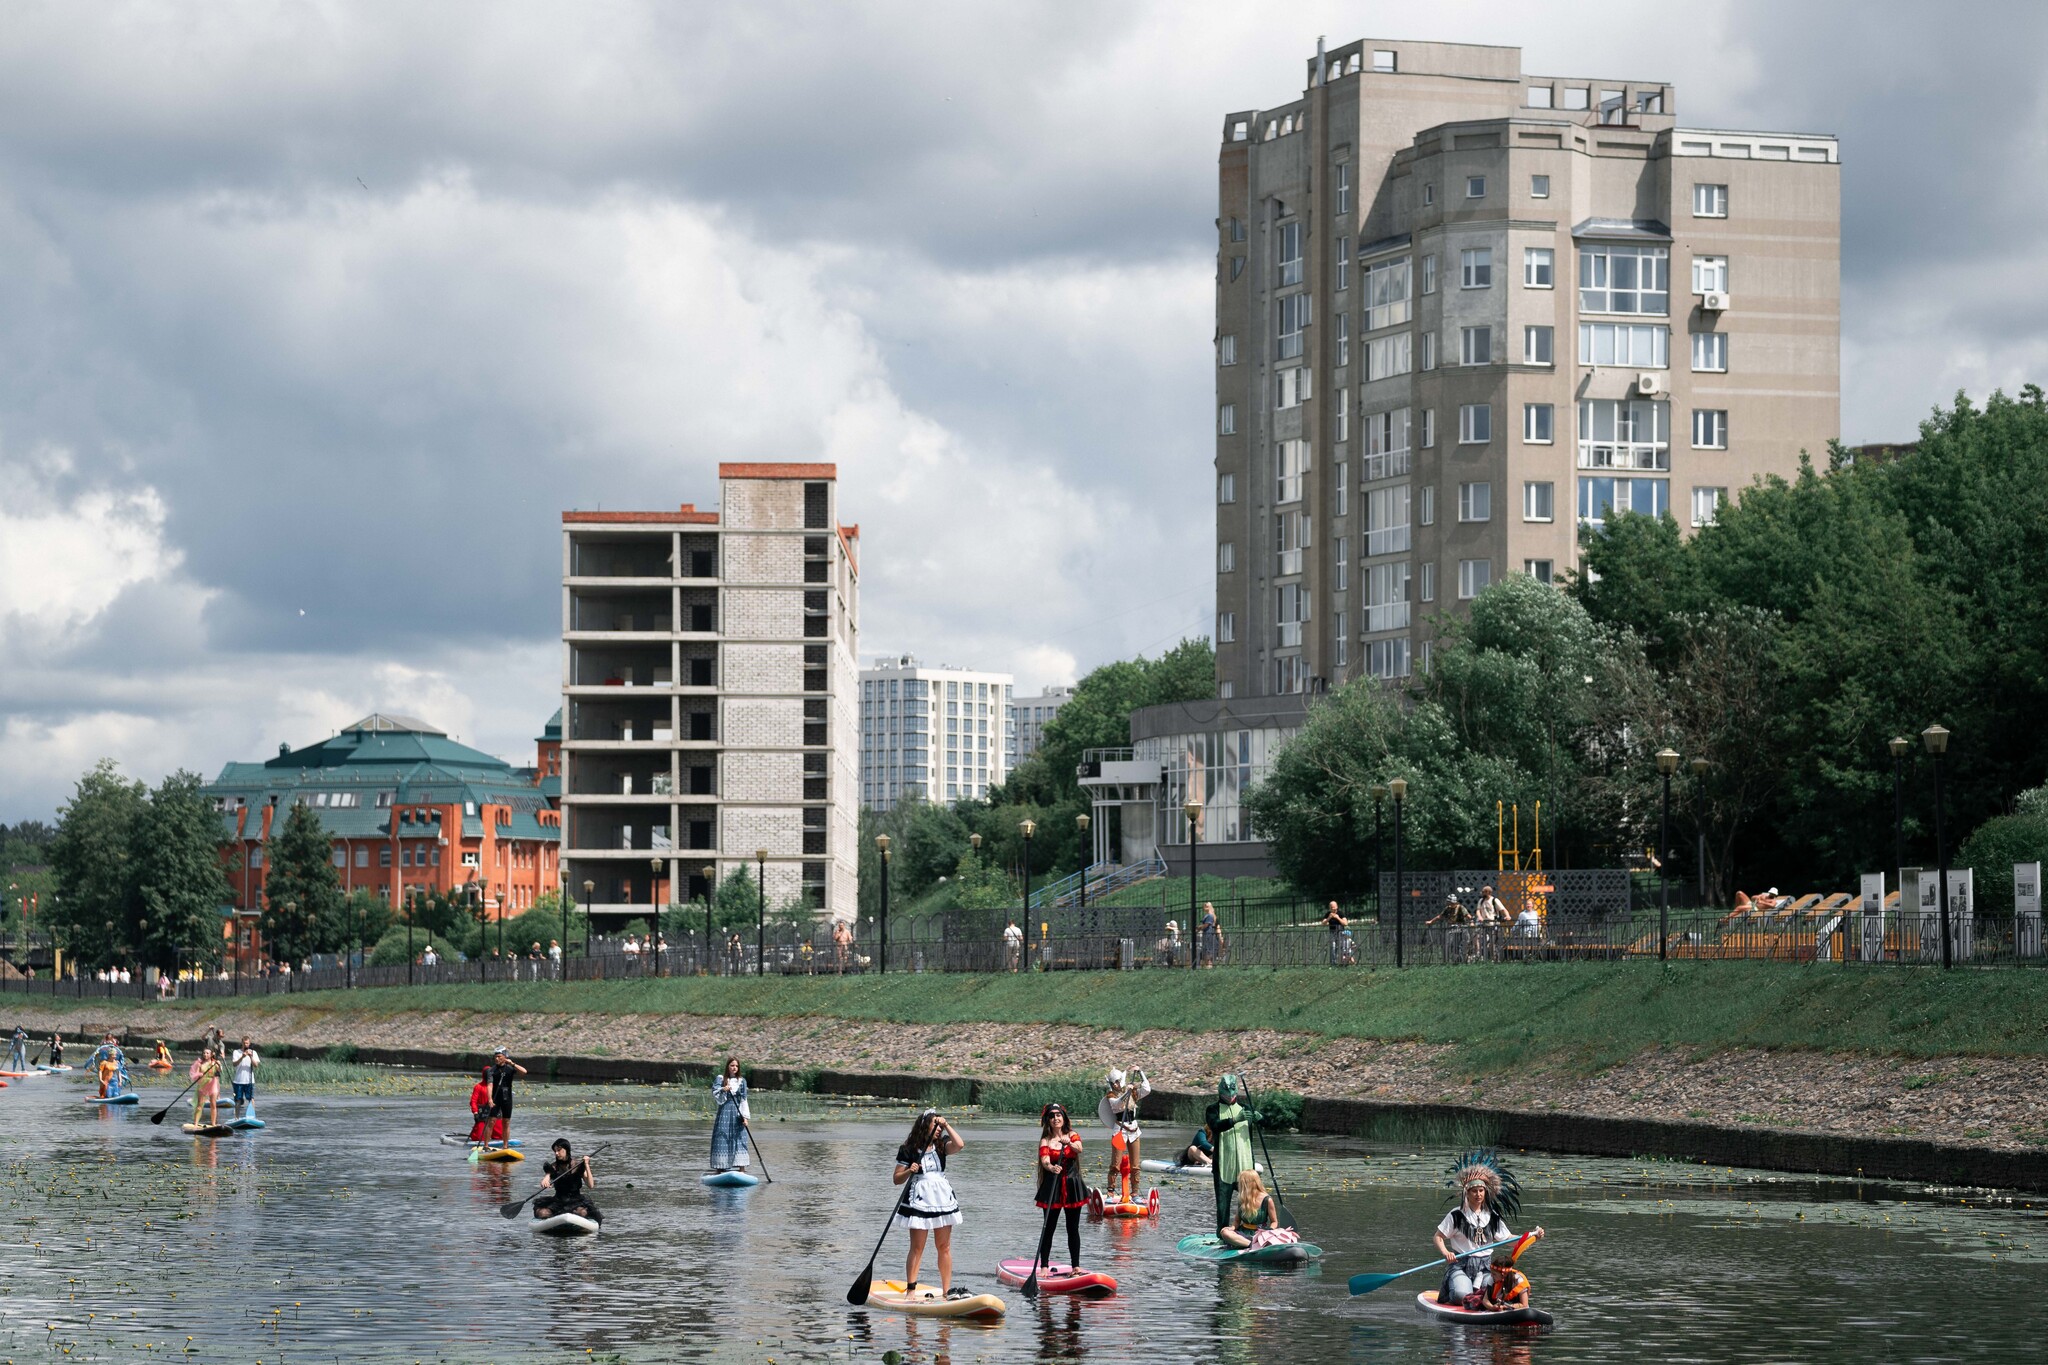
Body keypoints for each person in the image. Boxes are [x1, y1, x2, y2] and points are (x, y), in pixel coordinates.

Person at [1435, 1151, 1543, 1308]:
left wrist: (1532, 1238)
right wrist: (1446, 1253)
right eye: (1474, 1191)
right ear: (1467, 1192)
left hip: (1487, 1269)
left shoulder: (1492, 1216)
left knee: (1496, 1294)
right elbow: (1438, 1237)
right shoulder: (1456, 1214)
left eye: (1481, 1190)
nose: (1478, 1194)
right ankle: (1464, 1293)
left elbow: (1508, 1240)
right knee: (1461, 1295)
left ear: (1485, 1192)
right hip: (1461, 1265)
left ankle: (1480, 1298)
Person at [893, 1109, 967, 1299]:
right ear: (924, 1125)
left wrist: (947, 1125)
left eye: (939, 1126)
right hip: (919, 1199)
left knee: (944, 1247)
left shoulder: (941, 1145)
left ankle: (946, 1291)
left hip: (942, 1198)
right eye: (935, 1125)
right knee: (917, 1247)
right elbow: (897, 1179)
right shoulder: (908, 1149)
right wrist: (910, 1170)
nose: (938, 1129)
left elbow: (960, 1144)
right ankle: (911, 1290)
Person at [1033, 1103, 1087, 1272]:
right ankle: (1044, 1266)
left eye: (1058, 1115)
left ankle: (1075, 1267)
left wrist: (1069, 1143)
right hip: (1053, 1186)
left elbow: (1079, 1149)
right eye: (1052, 1116)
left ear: (1063, 1118)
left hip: (1072, 1185)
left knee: (1073, 1228)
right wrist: (1051, 1168)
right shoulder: (1046, 1140)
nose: (1055, 1118)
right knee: (1048, 1228)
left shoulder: (1072, 1135)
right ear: (1047, 1121)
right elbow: (1045, 1160)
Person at [1203, 1074, 1258, 1235]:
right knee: (1223, 1204)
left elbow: (1261, 1125)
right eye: (1227, 1090)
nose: (1230, 1093)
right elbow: (1215, 1126)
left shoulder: (1246, 1108)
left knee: (1248, 1201)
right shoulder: (1212, 1109)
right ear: (1220, 1090)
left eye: (1233, 1089)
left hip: (1245, 1163)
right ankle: (1221, 1233)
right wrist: (1234, 1120)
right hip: (1223, 1164)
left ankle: (1248, 1231)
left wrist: (1260, 1119)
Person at [1096, 1068, 1151, 1204]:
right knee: (1116, 1164)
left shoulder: (1131, 1092)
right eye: (1113, 1082)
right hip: (1120, 1130)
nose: (1116, 1084)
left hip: (1134, 1130)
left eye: (1118, 1081)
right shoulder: (1111, 1096)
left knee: (1135, 1165)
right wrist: (1127, 1092)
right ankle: (1110, 1192)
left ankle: (1135, 1193)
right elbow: (1118, 1103)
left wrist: (1140, 1072)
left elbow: (1147, 1089)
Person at [1222, 1168, 1298, 1250]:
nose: (1239, 1184)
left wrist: (1270, 1231)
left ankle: (1252, 1243)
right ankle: (1251, 1244)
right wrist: (1232, 1228)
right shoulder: (1242, 1199)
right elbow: (1237, 1221)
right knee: (1224, 1232)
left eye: (1241, 1182)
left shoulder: (1267, 1200)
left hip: (1260, 1234)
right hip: (1243, 1233)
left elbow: (1274, 1222)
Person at [534, 1139, 601, 1224]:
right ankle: (556, 1222)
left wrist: (587, 1165)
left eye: (559, 1150)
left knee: (582, 1212)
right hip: (558, 1201)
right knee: (542, 1213)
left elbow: (591, 1185)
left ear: (567, 1150)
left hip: (575, 1201)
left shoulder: (577, 1165)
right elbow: (547, 1176)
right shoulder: (553, 1167)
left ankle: (572, 1218)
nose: (556, 1153)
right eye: (555, 1151)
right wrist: (545, 1180)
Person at [709, 1057, 751, 1173]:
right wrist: (723, 1089)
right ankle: (720, 1167)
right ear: (728, 1066)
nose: (734, 1068)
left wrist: (745, 1117)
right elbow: (715, 1093)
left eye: (736, 1066)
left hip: (737, 1114)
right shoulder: (721, 1078)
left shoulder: (741, 1081)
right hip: (724, 1113)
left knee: (739, 1138)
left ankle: (741, 1169)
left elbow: (743, 1100)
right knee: (722, 1138)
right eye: (732, 1065)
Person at [486, 1049, 528, 1149]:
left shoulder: (510, 1068)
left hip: (507, 1098)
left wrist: (512, 1064)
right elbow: (489, 1085)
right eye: (495, 1057)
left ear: (505, 1057)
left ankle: (505, 1146)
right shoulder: (491, 1070)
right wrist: (490, 1099)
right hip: (495, 1098)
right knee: (491, 1121)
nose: (497, 1059)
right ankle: (486, 1146)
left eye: (499, 1057)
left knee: (506, 1122)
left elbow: (524, 1072)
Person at [189, 1047, 224, 1127]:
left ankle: (213, 1123)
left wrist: (218, 1064)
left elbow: (219, 1071)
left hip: (213, 1083)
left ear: (211, 1055)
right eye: (204, 1053)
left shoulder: (215, 1062)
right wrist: (199, 1075)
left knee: (213, 1104)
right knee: (199, 1105)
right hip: (203, 1084)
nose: (205, 1054)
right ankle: (196, 1124)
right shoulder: (199, 1063)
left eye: (207, 1053)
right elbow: (195, 1074)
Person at [229, 1037, 260, 1119]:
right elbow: (234, 1064)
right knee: (238, 1100)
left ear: (249, 1044)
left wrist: (250, 1056)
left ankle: (252, 1117)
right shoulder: (236, 1052)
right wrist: (242, 1057)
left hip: (249, 1081)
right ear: (241, 1043)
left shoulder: (253, 1052)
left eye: (247, 1043)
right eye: (244, 1043)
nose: (245, 1045)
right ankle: (236, 1117)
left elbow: (256, 1065)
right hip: (238, 1081)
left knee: (251, 1098)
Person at [466, 1066, 496, 1143]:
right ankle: (476, 1131)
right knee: (479, 1137)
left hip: (494, 1113)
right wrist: (475, 1113)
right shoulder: (478, 1087)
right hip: (482, 1114)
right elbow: (473, 1101)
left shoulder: (496, 1087)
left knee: (499, 1136)